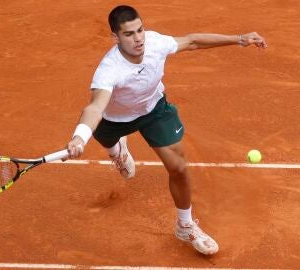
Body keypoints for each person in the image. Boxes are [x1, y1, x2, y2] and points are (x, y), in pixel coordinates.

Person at [64, 5, 267, 255]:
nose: (138, 38)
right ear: (115, 37)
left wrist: (239, 39)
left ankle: (185, 225)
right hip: (114, 120)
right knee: (110, 143)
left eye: (140, 30)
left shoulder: (155, 43)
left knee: (179, 167)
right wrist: (79, 137)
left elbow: (192, 41)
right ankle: (118, 151)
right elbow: (95, 108)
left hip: (153, 110)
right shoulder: (109, 70)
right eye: (129, 34)